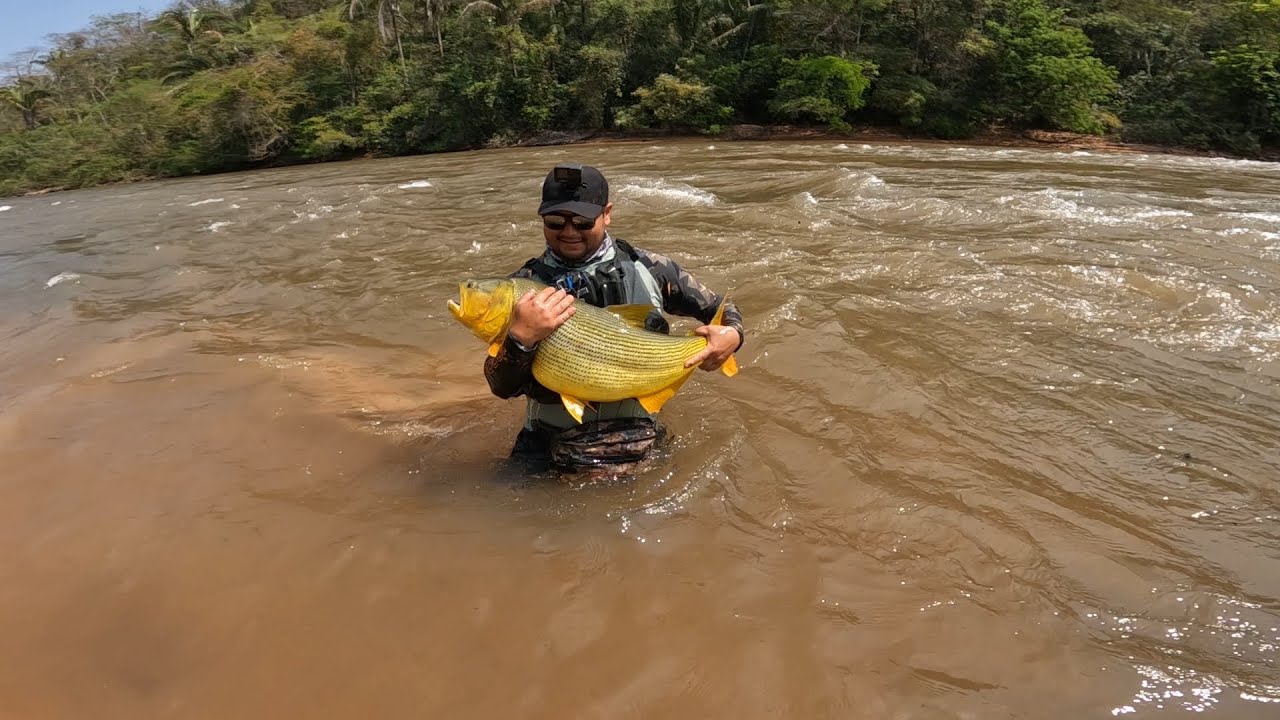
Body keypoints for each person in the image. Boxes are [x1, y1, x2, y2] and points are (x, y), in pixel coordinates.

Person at [484, 162, 745, 473]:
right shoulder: (521, 287)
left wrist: (733, 336)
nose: (568, 232)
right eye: (555, 221)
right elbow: (500, 386)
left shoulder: (651, 268)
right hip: (547, 439)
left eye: (582, 221)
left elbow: (721, 308)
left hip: (635, 435)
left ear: (606, 213)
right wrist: (521, 340)